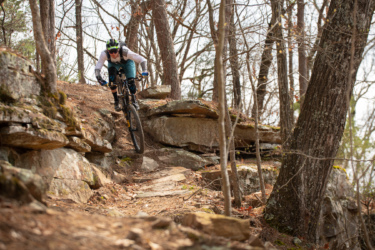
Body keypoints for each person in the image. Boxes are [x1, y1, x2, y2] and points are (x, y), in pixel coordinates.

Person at [95, 39, 148, 111]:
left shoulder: (125, 51)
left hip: (127, 62)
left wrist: (144, 71)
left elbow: (142, 59)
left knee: (131, 81)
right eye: (111, 52)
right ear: (107, 51)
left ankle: (134, 100)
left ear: (118, 49)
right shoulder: (104, 54)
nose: (113, 54)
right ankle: (116, 101)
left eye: (115, 51)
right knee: (112, 82)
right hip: (113, 64)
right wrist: (100, 79)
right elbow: (97, 68)